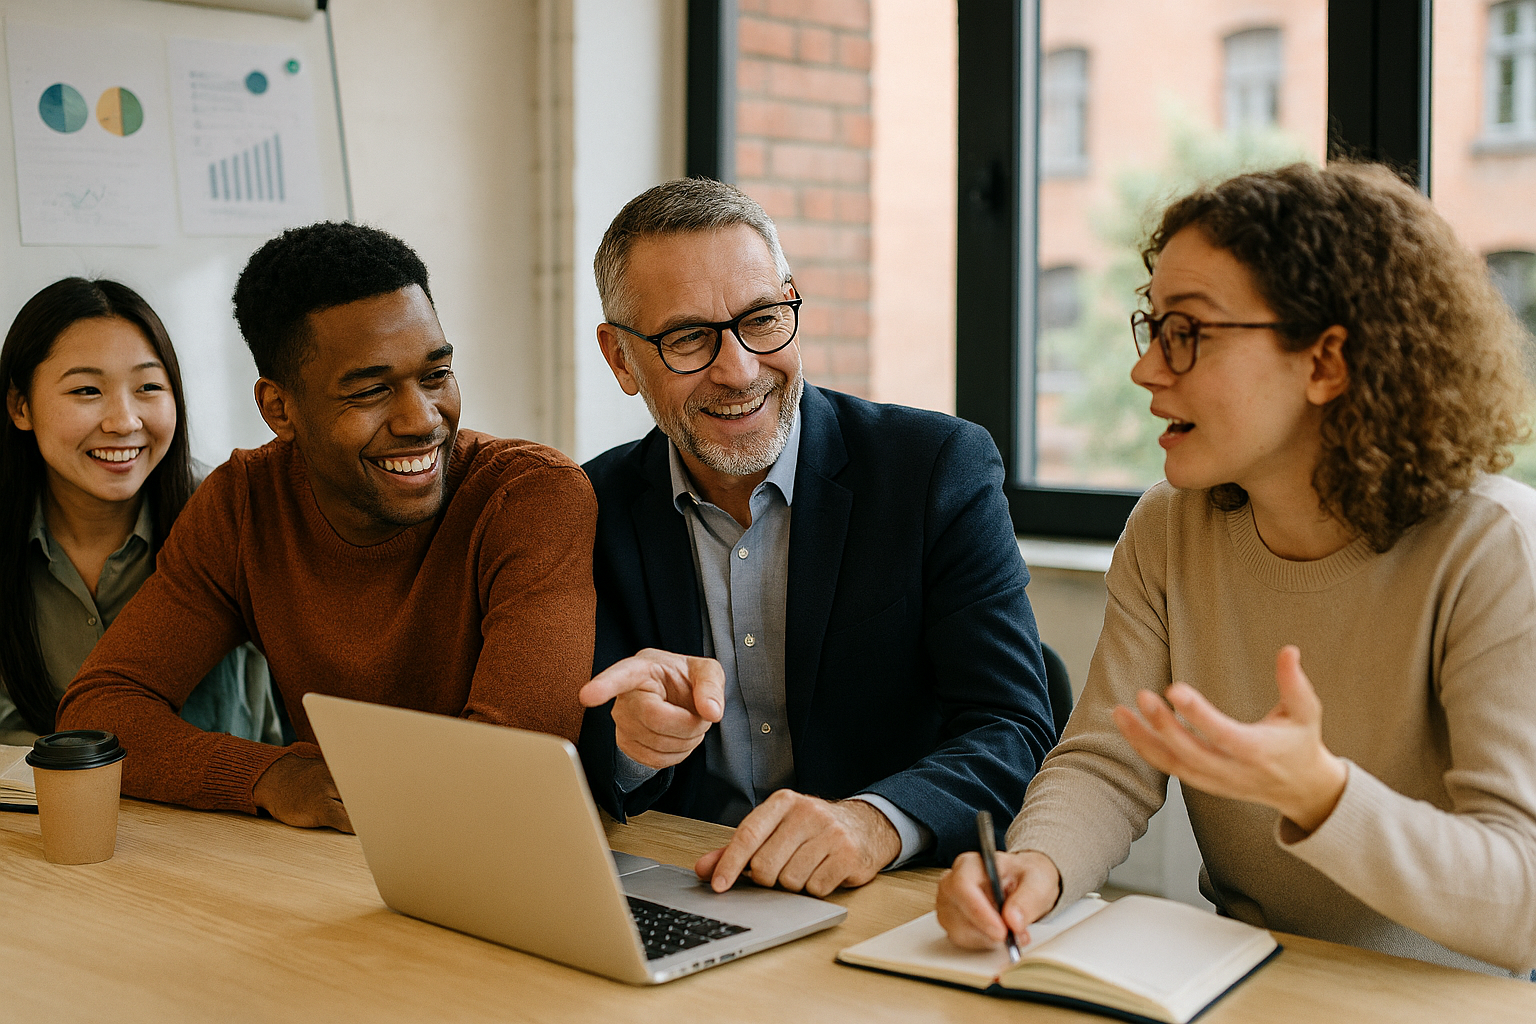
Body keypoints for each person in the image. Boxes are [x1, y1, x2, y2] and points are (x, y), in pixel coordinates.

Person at [935, 162, 1536, 977]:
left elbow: (1524, 902)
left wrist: (1321, 793)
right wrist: (1034, 868)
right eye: (1154, 327)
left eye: (1190, 331)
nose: (1147, 369)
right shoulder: (1168, 527)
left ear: (1326, 361)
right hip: (1240, 979)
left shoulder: (1494, 546)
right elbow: (1110, 762)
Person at [577, 178, 1055, 897]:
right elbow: (572, 754)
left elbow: (1015, 728)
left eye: (763, 318)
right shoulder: (589, 506)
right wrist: (629, 748)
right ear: (620, 359)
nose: (739, 369)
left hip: (893, 899)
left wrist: (873, 823)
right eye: (687, 338)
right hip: (688, 886)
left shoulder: (934, 470)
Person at [58, 222, 598, 832]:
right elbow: (100, 713)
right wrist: (266, 775)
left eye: (435, 375)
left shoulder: (527, 495)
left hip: (503, 849)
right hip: (336, 862)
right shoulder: (242, 504)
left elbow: (517, 765)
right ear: (279, 409)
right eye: (370, 391)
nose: (422, 420)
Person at [1, 278, 281, 749]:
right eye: (87, 391)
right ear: (20, 405)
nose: (124, 421)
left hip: (222, 811)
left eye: (149, 386)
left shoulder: (228, 512)